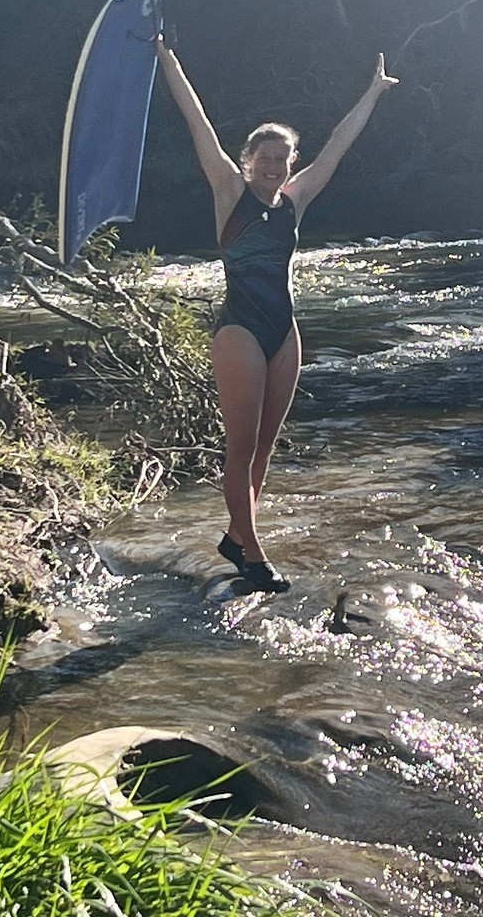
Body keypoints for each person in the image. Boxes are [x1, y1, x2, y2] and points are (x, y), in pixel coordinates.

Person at [156, 36, 398, 592]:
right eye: (261, 158)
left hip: (283, 332)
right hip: (239, 329)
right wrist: (168, 59)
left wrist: (373, 93)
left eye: (280, 158)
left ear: (290, 163)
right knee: (239, 448)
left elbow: (337, 146)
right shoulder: (228, 192)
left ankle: (237, 535)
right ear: (248, 163)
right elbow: (198, 124)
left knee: (265, 447)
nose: (270, 165)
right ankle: (253, 554)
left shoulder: (296, 199)